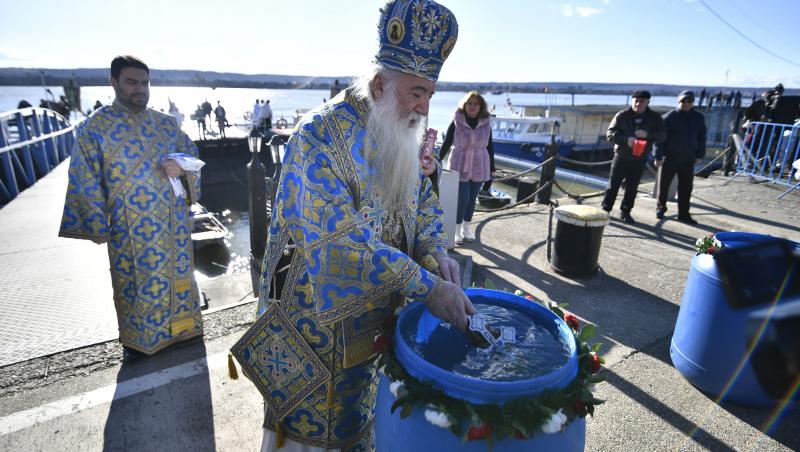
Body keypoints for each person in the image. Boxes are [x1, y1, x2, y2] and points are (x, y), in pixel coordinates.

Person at [245, 1, 471, 450]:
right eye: (416, 93)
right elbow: (342, 245)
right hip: (313, 329)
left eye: (429, 94)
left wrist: (434, 253)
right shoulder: (318, 137)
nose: (423, 107)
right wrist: (429, 287)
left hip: (376, 321)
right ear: (379, 83)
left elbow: (420, 198)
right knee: (312, 437)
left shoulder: (399, 128)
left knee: (364, 428)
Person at [59, 55, 203, 361]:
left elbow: (192, 155)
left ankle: (184, 330)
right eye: (132, 82)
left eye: (145, 83)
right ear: (113, 82)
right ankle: (141, 341)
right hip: (129, 229)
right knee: (138, 283)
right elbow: (84, 178)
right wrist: (95, 225)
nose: (141, 89)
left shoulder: (166, 125)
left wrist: (182, 167)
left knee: (179, 278)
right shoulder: (94, 128)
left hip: (173, 225)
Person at [601, 90, 667, 224]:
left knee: (632, 187)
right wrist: (626, 140)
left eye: (642, 101)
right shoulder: (622, 115)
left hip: (640, 158)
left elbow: (662, 135)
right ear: (632, 101)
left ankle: (626, 212)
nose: (638, 103)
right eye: (636, 100)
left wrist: (647, 134)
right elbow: (609, 134)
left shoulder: (654, 117)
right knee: (613, 185)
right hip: (621, 155)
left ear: (648, 102)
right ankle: (605, 210)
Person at [439, 91, 493, 244]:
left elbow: (490, 147)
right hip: (459, 164)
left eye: (476, 104)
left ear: (480, 106)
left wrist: (491, 170)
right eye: (469, 103)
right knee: (463, 199)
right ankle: (456, 230)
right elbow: (447, 142)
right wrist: (437, 159)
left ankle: (466, 228)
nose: (472, 106)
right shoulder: (457, 120)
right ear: (464, 104)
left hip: (479, 165)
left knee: (472, 200)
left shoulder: (486, 122)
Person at [654, 90, 706, 225]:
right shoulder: (668, 117)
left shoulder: (699, 118)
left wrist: (700, 154)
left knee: (686, 188)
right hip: (669, 157)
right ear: (678, 101)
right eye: (683, 101)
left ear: (693, 102)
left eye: (689, 101)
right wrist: (658, 156)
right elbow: (660, 140)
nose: (686, 103)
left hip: (688, 158)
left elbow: (702, 138)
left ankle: (683, 214)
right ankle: (660, 208)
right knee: (663, 185)